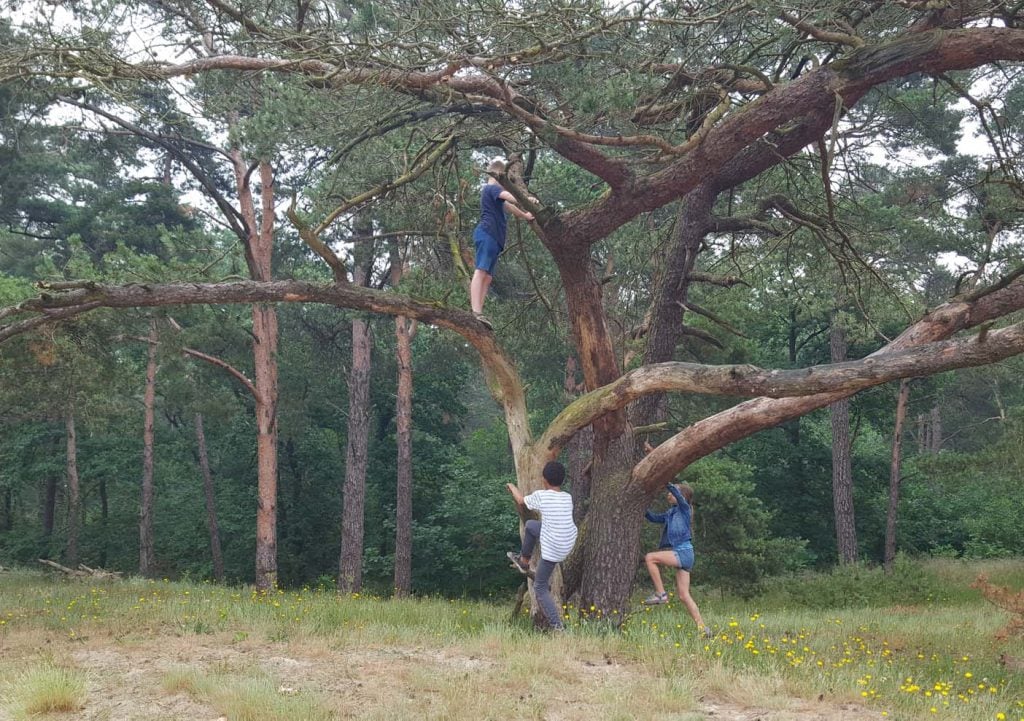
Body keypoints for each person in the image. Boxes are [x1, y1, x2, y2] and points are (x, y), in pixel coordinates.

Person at [505, 461, 576, 631]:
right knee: (530, 525)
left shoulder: (542, 496)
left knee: (540, 587)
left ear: (544, 480)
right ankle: (523, 561)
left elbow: (521, 501)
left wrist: (512, 486)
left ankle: (557, 626)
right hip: (568, 541)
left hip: (554, 547)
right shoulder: (568, 497)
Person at [470, 159, 536, 330]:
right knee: (481, 271)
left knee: (488, 276)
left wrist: (525, 215)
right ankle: (475, 312)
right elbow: (509, 197)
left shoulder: (494, 194)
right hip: (487, 234)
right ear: (499, 176)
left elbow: (508, 206)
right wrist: (527, 199)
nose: (507, 186)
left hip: (495, 239)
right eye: (507, 182)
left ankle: (479, 312)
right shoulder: (492, 188)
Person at [642, 482, 710, 636]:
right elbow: (653, 518)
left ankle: (661, 593)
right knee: (684, 595)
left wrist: (666, 481)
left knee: (650, 558)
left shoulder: (685, 509)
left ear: (682, 496)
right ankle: (702, 628)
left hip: (683, 551)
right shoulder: (670, 513)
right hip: (685, 553)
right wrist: (641, 508)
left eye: (673, 493)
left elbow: (678, 496)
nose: (669, 494)